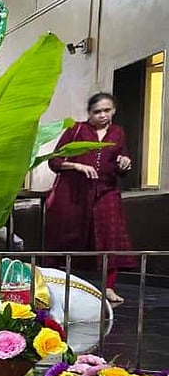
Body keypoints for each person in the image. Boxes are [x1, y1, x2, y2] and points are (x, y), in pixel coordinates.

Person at [45, 92, 135, 305]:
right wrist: (77, 165)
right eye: (97, 112)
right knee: (64, 235)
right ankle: (52, 284)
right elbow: (54, 161)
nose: (103, 115)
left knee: (110, 236)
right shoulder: (76, 130)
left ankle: (109, 287)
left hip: (106, 191)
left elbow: (120, 166)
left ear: (114, 110)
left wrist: (125, 162)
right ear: (89, 113)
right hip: (74, 193)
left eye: (107, 110)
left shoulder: (118, 132)